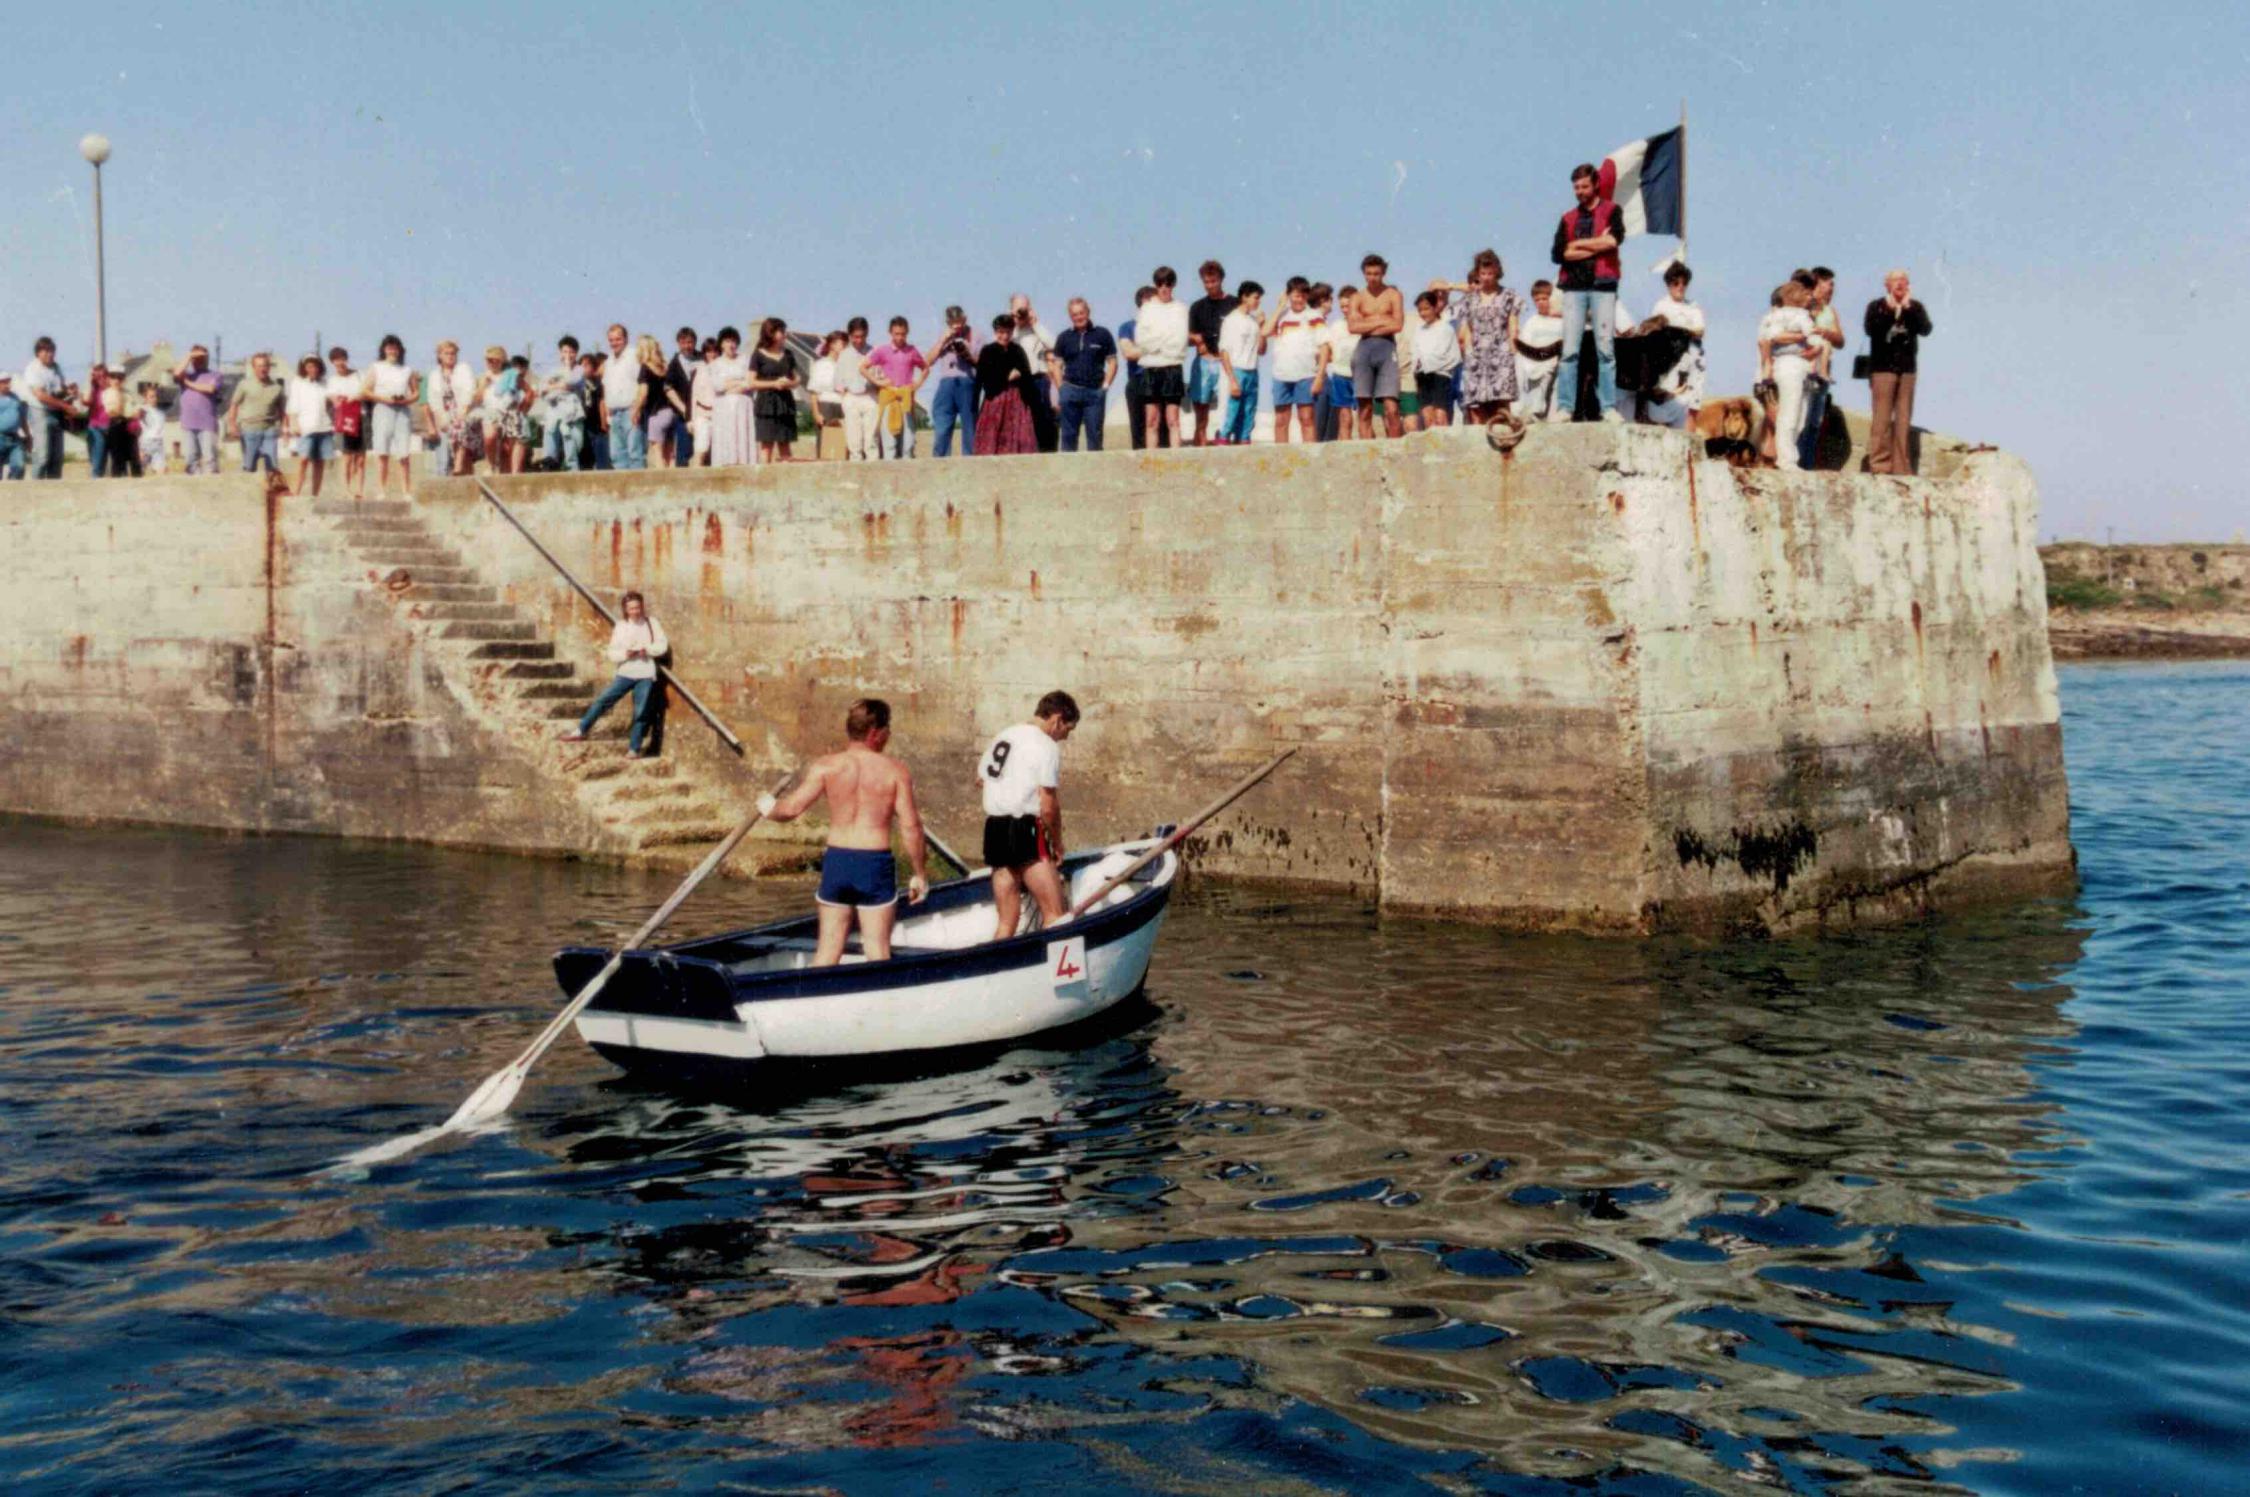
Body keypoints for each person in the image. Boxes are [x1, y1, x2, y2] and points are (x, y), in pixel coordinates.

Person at [755, 698, 932, 966]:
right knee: (877, 952)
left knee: (826, 952)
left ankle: (813, 1002)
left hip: (837, 862)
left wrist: (767, 806)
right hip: (873, 864)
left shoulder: (826, 766)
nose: (889, 736)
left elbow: (789, 810)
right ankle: (879, 1003)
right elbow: (911, 826)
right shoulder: (895, 771)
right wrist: (919, 874)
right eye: (888, 730)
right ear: (875, 733)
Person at [977, 690, 1080, 941]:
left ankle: (999, 972)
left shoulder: (1005, 735)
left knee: (1005, 924)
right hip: (1026, 829)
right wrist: (1057, 843)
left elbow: (980, 779)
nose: (1065, 737)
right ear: (1056, 720)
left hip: (995, 829)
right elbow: (1048, 806)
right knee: (1056, 916)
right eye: (1067, 729)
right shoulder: (1046, 746)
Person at [1551, 163, 1629, 424]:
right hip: (1573, 288)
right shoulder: (1567, 217)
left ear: (1595, 184)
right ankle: (1565, 407)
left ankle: (1608, 407)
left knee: (1605, 349)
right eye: (1576, 187)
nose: (1580, 191)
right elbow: (1559, 254)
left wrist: (1579, 245)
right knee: (1570, 350)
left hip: (1603, 286)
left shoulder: (1612, 211)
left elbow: (1614, 240)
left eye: (1584, 186)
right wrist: (1598, 245)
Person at [560, 590, 669, 757]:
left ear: (642, 607)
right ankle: (581, 730)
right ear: (625, 609)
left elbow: (662, 645)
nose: (635, 611)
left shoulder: (651, 623)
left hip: (645, 673)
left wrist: (646, 650)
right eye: (631, 608)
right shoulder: (621, 626)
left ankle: (634, 748)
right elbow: (612, 652)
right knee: (603, 701)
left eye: (638, 607)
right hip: (625, 672)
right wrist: (626, 654)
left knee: (641, 712)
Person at [1442, 250, 1523, 427]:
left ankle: (1504, 439)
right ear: (1478, 274)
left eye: (1490, 273)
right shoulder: (1469, 299)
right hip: (1477, 356)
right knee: (1477, 405)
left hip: (1500, 352)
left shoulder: (1509, 296)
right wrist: (1468, 352)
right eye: (1483, 274)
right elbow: (1465, 329)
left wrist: (1512, 350)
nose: (1486, 277)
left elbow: (1512, 324)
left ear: (1497, 273)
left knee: (1501, 402)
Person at [1865, 269, 1933, 476]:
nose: (1899, 284)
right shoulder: (1876, 306)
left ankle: (1902, 466)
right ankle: (1879, 464)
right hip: (1882, 368)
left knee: (1903, 419)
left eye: (1903, 281)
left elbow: (1925, 329)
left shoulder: (1915, 306)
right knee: (1882, 418)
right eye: (1895, 281)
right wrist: (1890, 310)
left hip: (1907, 369)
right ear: (1887, 284)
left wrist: (1908, 308)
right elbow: (1871, 329)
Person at [1120, 265, 1189, 450]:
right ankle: (1151, 461)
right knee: (1151, 420)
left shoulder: (1180, 308)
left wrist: (1156, 342)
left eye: (1168, 283)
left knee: (1173, 419)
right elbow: (1142, 340)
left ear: (1173, 285)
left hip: (1173, 368)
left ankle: (1176, 459)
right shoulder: (1147, 309)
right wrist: (1163, 340)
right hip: (1150, 369)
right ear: (1156, 285)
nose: (1164, 287)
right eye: (1160, 284)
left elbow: (1180, 340)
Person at [1758, 281, 1820, 470]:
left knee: (1801, 414)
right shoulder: (1778, 315)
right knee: (1790, 411)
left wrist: (1811, 346)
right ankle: (1786, 459)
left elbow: (1816, 340)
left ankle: (1789, 453)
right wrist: (1801, 336)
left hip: (1803, 364)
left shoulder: (1804, 316)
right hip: (1786, 362)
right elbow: (1773, 336)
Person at [1640, 263, 1706, 430]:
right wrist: (1684, 332)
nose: (1680, 287)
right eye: (1676, 283)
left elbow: (1699, 330)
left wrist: (1682, 331)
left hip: (1693, 358)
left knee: (1693, 403)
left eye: (1684, 283)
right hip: (1669, 361)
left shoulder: (1693, 306)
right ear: (1669, 284)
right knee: (1667, 400)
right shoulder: (1661, 306)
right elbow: (1654, 330)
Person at [1346, 254, 1405, 438]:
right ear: (1364, 274)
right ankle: (1366, 453)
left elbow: (1397, 325)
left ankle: (1395, 450)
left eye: (1376, 274)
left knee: (1391, 407)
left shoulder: (1393, 295)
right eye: (1369, 273)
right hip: (1364, 349)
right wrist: (1381, 322)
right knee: (1364, 408)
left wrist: (1368, 324)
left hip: (1387, 348)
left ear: (1383, 273)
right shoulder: (1357, 297)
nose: (1372, 278)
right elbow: (1353, 327)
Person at [1052, 298, 1117, 452]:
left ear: (1088, 312)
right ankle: (1068, 475)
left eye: (1081, 313)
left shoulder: (1102, 334)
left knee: (1095, 436)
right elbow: (1057, 365)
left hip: (1094, 393)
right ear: (1070, 316)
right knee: (1068, 436)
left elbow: (1113, 362)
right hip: (1070, 391)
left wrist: (1105, 387)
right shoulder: (1063, 337)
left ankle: (1095, 475)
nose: (1079, 317)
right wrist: (1062, 389)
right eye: (1075, 314)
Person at [1185, 261, 1237, 446]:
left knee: (1228, 413)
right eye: (1206, 282)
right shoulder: (1197, 307)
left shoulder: (1234, 303)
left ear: (1221, 279)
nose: (1210, 285)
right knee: (1201, 417)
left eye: (1213, 281)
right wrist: (1197, 339)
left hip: (1226, 364)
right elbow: (1188, 336)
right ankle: (1199, 453)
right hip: (1204, 364)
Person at [1265, 277, 1323, 444]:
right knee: (1281, 421)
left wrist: (1319, 377)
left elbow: (1325, 347)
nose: (1299, 299)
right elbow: (1265, 331)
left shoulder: (1314, 316)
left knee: (1307, 419)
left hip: (1306, 375)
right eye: (1296, 295)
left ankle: (1311, 460)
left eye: (1303, 296)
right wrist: (1280, 306)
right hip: (1281, 375)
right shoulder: (1281, 316)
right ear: (1289, 295)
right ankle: (1281, 460)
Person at [972, 314, 1038, 455]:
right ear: (995, 332)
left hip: (1016, 401)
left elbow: (1027, 374)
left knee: (1019, 439)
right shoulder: (987, 351)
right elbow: (981, 380)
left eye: (1008, 332)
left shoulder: (1018, 350)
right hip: (994, 400)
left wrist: (1020, 374)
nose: (1005, 336)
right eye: (1001, 332)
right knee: (991, 439)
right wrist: (1007, 377)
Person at [1796, 268, 1843, 467]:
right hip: (1806, 365)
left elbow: (1841, 340)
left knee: (1816, 421)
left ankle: (1807, 464)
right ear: (1818, 283)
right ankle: (1796, 462)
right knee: (1802, 418)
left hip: (1824, 368)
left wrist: (1826, 332)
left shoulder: (1830, 311)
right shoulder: (1803, 305)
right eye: (1829, 284)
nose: (1832, 289)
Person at [363, 335, 420, 498]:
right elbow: (365, 390)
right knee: (382, 451)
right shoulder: (376, 367)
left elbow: (416, 393)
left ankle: (406, 490)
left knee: (404, 452)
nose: (392, 351)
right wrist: (384, 399)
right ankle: (381, 490)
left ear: (400, 350)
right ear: (384, 350)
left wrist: (406, 400)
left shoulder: (407, 370)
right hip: (382, 409)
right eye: (389, 348)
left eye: (395, 348)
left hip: (402, 411)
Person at [865, 316, 928, 460]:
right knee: (889, 442)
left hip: (905, 397)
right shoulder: (883, 350)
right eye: (896, 334)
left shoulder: (912, 351)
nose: (899, 338)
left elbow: (925, 368)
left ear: (907, 333)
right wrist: (878, 382)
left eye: (903, 334)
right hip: (889, 398)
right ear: (890, 333)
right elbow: (863, 367)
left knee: (908, 441)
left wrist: (916, 385)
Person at [1214, 282, 1266, 445]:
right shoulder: (1231, 320)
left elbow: (1262, 350)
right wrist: (1232, 379)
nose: (1258, 302)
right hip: (1237, 369)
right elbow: (1224, 351)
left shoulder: (1253, 322)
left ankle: (1244, 439)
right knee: (1232, 411)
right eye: (1255, 298)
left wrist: (1262, 328)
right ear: (1244, 297)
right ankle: (1222, 437)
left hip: (1252, 371)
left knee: (1249, 412)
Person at [925, 307, 979, 457]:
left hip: (967, 381)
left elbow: (984, 364)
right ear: (948, 322)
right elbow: (927, 361)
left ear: (965, 319)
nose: (957, 326)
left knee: (970, 427)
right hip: (946, 383)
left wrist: (968, 355)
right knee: (942, 426)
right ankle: (940, 461)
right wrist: (943, 340)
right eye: (953, 323)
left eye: (959, 322)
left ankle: (970, 461)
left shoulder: (976, 335)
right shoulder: (943, 337)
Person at [1118, 287, 1167, 452]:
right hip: (1138, 380)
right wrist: (1155, 348)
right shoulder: (1127, 326)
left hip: (1162, 378)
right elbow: (1129, 352)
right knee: (1138, 431)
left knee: (1163, 430)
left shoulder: (1165, 326)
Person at [1009, 295, 1058, 452]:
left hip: (1038, 379)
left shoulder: (1036, 328)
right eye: (1018, 309)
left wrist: (1034, 323)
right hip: (1017, 381)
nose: (1022, 313)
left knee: (1043, 419)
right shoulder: (1011, 330)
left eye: (1025, 308)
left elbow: (1053, 344)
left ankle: (1048, 452)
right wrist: (1014, 323)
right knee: (1019, 422)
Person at [227, 351, 287, 475]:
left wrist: (285, 428)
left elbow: (282, 410)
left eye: (265, 365)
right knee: (249, 467)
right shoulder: (244, 384)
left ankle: (271, 493)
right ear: (253, 368)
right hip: (249, 430)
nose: (262, 369)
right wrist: (232, 425)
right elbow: (234, 405)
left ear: (269, 367)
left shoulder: (277, 387)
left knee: (272, 467)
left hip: (269, 430)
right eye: (259, 366)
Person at [422, 340, 477, 476]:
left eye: (453, 353)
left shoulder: (464, 369)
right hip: (444, 413)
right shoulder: (434, 375)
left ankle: (458, 467)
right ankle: (454, 471)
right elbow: (432, 398)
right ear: (440, 355)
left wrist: (463, 410)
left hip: (463, 411)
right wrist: (439, 417)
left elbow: (469, 391)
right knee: (446, 448)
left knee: (461, 428)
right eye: (446, 353)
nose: (450, 356)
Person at [282, 354, 335, 497]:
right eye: (309, 366)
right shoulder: (298, 383)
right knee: (303, 460)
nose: (312, 369)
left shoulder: (325, 383)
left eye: (315, 366)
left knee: (319, 462)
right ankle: (295, 492)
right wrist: (294, 424)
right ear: (304, 368)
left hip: (324, 427)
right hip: (306, 427)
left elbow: (333, 399)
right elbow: (292, 406)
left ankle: (315, 494)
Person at [750, 318, 800, 464]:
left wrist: (789, 383)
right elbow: (751, 382)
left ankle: (786, 482)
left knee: (785, 445)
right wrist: (773, 384)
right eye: (781, 331)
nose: (784, 334)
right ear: (770, 333)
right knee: (766, 446)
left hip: (785, 403)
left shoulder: (788, 354)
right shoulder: (758, 354)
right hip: (766, 404)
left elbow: (798, 379)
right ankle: (763, 482)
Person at [23, 337, 73, 480]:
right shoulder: (32, 369)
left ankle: (53, 493)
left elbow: (60, 389)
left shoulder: (56, 367)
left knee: (57, 457)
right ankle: (35, 491)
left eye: (51, 350)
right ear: (38, 353)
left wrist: (69, 392)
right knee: (42, 456)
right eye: (45, 351)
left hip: (56, 412)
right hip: (40, 411)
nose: (49, 354)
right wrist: (65, 406)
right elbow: (40, 395)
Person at [168, 344, 222, 476]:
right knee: (190, 459)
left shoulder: (215, 375)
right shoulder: (187, 374)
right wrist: (189, 356)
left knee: (209, 458)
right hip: (188, 423)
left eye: (202, 357)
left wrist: (187, 383)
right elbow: (176, 373)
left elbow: (209, 388)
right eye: (196, 358)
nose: (199, 360)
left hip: (207, 423)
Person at [1514, 281, 1564, 422]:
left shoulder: (1561, 321)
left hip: (1556, 362)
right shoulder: (1532, 322)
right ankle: (1532, 410)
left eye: (1544, 298)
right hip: (1536, 363)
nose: (1541, 302)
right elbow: (1526, 347)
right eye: (1537, 300)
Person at [707, 326, 756, 468]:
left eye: (734, 341)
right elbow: (718, 385)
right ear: (721, 343)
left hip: (743, 406)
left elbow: (749, 382)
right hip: (724, 408)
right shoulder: (715, 364)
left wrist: (733, 383)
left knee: (742, 438)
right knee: (726, 439)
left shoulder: (745, 360)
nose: (731, 345)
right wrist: (736, 382)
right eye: (728, 341)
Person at [1410, 291, 1460, 430]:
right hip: (1423, 376)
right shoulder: (1419, 330)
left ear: (1435, 307)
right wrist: (1417, 367)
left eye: (1426, 309)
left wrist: (1434, 364)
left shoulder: (1446, 329)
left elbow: (1453, 357)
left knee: (1440, 415)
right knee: (1427, 415)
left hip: (1441, 376)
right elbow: (1415, 353)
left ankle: (1444, 450)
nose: (1423, 313)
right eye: (1420, 310)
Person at [599, 324, 645, 470]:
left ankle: (638, 491)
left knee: (635, 453)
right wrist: (607, 412)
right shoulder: (608, 361)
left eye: (618, 339)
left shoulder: (634, 356)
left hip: (631, 411)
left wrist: (637, 408)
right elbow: (606, 387)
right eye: (611, 340)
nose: (614, 343)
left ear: (625, 339)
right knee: (617, 455)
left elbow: (642, 384)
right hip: (614, 413)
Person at [1315, 283, 1357, 441]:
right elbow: (1328, 352)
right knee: (1344, 417)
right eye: (1342, 307)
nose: (1345, 310)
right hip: (1340, 375)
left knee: (1365, 416)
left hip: (1361, 375)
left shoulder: (1364, 323)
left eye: (1348, 306)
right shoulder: (1336, 326)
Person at [834, 317, 878, 462]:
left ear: (867, 334)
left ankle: (873, 467)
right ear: (850, 336)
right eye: (855, 337)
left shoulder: (874, 352)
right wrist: (845, 396)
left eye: (862, 336)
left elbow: (881, 375)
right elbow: (838, 380)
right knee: (854, 440)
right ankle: (856, 468)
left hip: (870, 396)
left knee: (871, 438)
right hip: (851, 397)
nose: (859, 340)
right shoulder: (844, 354)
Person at [633, 334, 679, 469]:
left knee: (656, 452)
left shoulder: (645, 368)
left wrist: (635, 410)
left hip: (656, 414)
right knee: (670, 454)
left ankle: (662, 484)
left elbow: (643, 392)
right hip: (671, 412)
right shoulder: (665, 367)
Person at [540, 337, 586, 471]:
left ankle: (572, 471)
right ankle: (549, 468)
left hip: (572, 414)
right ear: (559, 352)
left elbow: (571, 381)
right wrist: (559, 387)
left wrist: (555, 385)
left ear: (576, 353)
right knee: (550, 441)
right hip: (554, 410)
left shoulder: (579, 369)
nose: (568, 355)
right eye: (564, 351)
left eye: (571, 352)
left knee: (572, 446)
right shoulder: (553, 371)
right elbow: (543, 389)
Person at [324, 347, 365, 498]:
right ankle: (346, 489)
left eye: (342, 358)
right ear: (332, 362)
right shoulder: (332, 380)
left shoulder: (359, 375)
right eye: (336, 360)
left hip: (360, 417)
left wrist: (353, 398)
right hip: (344, 421)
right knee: (347, 457)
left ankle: (360, 489)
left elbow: (365, 392)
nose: (340, 362)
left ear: (346, 359)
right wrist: (338, 400)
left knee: (360, 458)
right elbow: (332, 400)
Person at [473, 346, 520, 475]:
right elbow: (476, 400)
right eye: (489, 360)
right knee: (489, 437)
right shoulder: (482, 377)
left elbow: (518, 393)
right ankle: (490, 464)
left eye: (495, 360)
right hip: (490, 410)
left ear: (502, 361)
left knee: (507, 447)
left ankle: (506, 473)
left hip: (508, 411)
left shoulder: (509, 375)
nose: (492, 363)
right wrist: (483, 385)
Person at [663, 327, 701, 468]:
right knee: (684, 450)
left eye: (690, 342)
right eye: (683, 343)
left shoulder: (701, 358)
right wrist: (684, 409)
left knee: (703, 448)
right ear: (678, 343)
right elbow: (668, 388)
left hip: (702, 411)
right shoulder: (674, 363)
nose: (687, 346)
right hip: (683, 414)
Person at [807, 332, 844, 460]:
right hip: (826, 405)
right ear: (832, 345)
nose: (844, 347)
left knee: (843, 445)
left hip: (843, 405)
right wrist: (816, 413)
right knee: (825, 445)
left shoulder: (846, 364)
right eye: (842, 344)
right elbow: (813, 392)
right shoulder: (820, 365)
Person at [688, 336, 721, 466]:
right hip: (702, 414)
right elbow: (692, 395)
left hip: (719, 414)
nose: (712, 354)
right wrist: (691, 419)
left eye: (714, 351)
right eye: (708, 351)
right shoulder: (697, 369)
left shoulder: (723, 368)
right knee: (701, 449)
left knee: (718, 452)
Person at [135, 382, 169, 476]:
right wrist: (138, 449)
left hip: (158, 445)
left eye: (156, 396)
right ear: (145, 398)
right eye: (151, 396)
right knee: (139, 474)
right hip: (145, 444)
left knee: (161, 473)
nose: (154, 399)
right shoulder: (143, 409)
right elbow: (136, 428)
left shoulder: (161, 413)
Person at [0, 372, 26, 480]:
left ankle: (13, 492)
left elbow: (21, 417)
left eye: (8, 382)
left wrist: (28, 435)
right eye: (4, 382)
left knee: (19, 466)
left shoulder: (15, 397)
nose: (8, 385)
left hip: (14, 437)